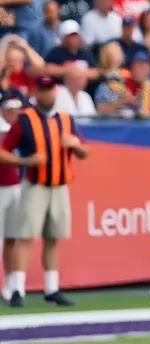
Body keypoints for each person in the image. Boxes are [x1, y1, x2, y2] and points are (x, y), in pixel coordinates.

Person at [0, 75, 87, 306]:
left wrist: (76, 146)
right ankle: (17, 289)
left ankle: (51, 288)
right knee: (25, 237)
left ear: (55, 92)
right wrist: (26, 162)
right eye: (42, 90)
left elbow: (85, 151)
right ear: (36, 93)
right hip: (34, 186)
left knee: (53, 238)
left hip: (59, 187)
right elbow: (3, 151)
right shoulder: (25, 120)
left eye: (50, 90)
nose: (47, 94)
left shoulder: (66, 120)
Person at [0, 90, 27, 303]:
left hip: (15, 187)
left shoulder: (20, 130)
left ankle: (13, 285)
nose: (14, 114)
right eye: (11, 110)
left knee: (12, 238)